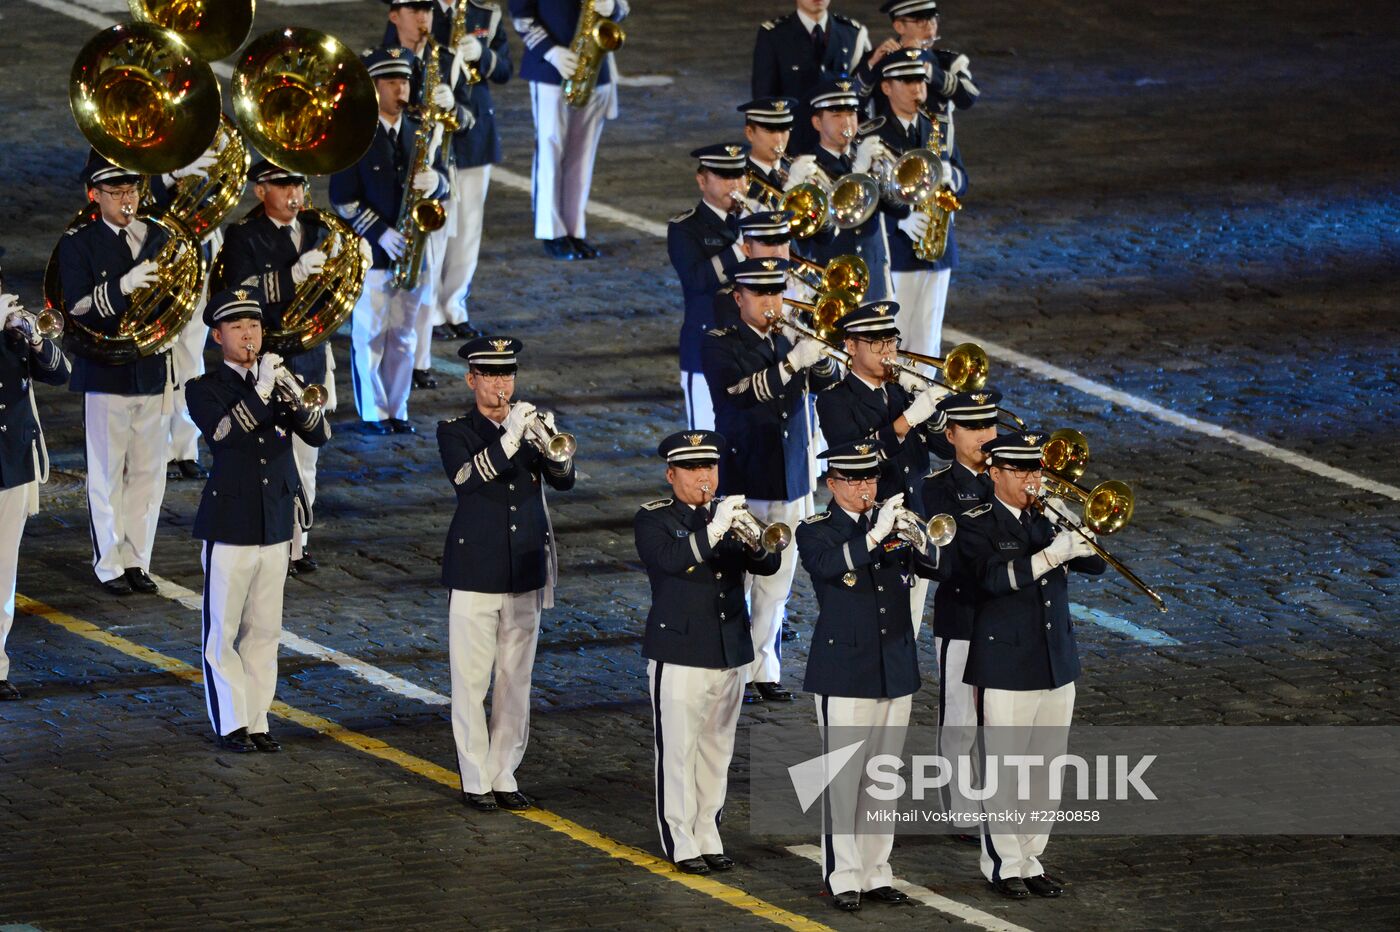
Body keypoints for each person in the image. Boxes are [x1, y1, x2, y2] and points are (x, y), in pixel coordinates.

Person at [795, 439, 949, 911]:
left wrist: (921, 536)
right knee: (843, 779)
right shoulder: (815, 529)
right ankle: (843, 875)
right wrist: (874, 535)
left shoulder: (894, 523)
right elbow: (826, 566)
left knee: (884, 777)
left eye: (869, 478)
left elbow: (939, 567)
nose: (864, 487)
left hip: (894, 664)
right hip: (844, 670)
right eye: (852, 479)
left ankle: (876, 869)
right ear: (831, 484)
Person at [955, 431, 1105, 898]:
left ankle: (1030, 857)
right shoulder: (976, 521)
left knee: (1047, 767)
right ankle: (1002, 864)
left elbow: (1098, 567)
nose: (1031, 479)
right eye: (1020, 470)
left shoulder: (1048, 518)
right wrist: (1051, 554)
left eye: (1035, 470)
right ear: (995, 473)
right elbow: (993, 580)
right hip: (1006, 662)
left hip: (1055, 659)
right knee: (1004, 767)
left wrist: (1083, 534)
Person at [185, 287, 332, 753]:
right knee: (222, 630)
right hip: (230, 523)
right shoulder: (204, 388)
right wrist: (265, 390)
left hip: (274, 522)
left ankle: (258, 718)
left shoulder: (279, 379)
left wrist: (290, 392)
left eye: (254, 327)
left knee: (265, 629)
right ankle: (230, 721)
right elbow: (225, 435)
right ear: (217, 336)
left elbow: (320, 433)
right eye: (237, 328)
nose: (249, 335)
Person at [438, 336, 575, 811]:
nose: (501, 384)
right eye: (491, 375)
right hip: (475, 571)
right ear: (471, 379)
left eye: (507, 375)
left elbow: (564, 481)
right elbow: (467, 481)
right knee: (472, 681)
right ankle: (475, 777)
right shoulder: (454, 431)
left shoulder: (530, 426)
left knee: (516, 680)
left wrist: (554, 448)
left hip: (524, 569)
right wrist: (512, 437)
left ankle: (504, 772)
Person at [634, 429, 781, 875]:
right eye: (694, 468)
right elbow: (672, 560)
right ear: (671, 474)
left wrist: (753, 537)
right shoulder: (654, 518)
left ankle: (708, 832)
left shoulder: (730, 514)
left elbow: (770, 562)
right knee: (677, 751)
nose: (705, 476)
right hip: (679, 650)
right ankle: (680, 840)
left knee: (718, 749)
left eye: (710, 467)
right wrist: (714, 530)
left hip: (729, 648)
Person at [701, 257, 839, 702]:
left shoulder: (789, 338)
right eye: (760, 295)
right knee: (737, 580)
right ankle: (730, 666)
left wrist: (814, 352)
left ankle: (765, 670)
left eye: (776, 293)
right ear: (739, 298)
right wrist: (790, 363)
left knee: (777, 586)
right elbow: (738, 394)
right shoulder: (720, 343)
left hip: (793, 477)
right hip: (747, 476)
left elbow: (830, 382)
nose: (770, 303)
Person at [57, 153, 176, 596]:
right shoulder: (79, 244)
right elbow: (78, 308)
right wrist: (122, 288)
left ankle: (137, 560)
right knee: (106, 474)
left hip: (150, 369)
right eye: (116, 193)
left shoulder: (160, 236)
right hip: (105, 372)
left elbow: (178, 295)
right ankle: (109, 563)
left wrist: (172, 329)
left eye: (131, 191)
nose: (127, 201)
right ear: (95, 196)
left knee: (148, 472)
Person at [217, 159, 341, 574]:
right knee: (268, 457)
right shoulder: (243, 236)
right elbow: (238, 290)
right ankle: (271, 539)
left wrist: (348, 263)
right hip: (266, 359)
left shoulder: (320, 230)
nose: (293, 194)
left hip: (308, 357)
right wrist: (291, 275)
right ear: (260, 191)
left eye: (299, 184)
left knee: (307, 458)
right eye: (283, 185)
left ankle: (298, 545)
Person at [329, 46, 449, 435]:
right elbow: (342, 199)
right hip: (376, 254)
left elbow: (442, 175)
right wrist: (381, 232)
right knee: (371, 335)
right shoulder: (356, 136)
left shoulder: (418, 131)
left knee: (404, 334)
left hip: (414, 252)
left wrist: (439, 184)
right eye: (393, 82)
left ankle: (398, 407)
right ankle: (373, 412)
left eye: (406, 81)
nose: (402, 89)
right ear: (374, 87)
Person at [385, 0, 512, 346]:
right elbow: (392, 58)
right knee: (436, 231)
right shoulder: (418, 7)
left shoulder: (484, 10)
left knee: (468, 229)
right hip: (432, 142)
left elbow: (504, 69)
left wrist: (482, 56)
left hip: (472, 133)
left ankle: (455, 305)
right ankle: (431, 311)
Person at [815, 301, 947, 632]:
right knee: (872, 628)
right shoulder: (834, 400)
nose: (887, 352)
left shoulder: (901, 392)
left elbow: (945, 447)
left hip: (916, 520)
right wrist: (908, 419)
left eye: (891, 342)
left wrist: (932, 410)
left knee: (909, 631)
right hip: (872, 526)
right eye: (877, 343)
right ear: (850, 345)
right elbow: (858, 458)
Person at [919, 388, 1000, 839]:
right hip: (964, 615)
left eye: (989, 426)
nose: (984, 436)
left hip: (1008, 616)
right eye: (972, 427)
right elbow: (950, 556)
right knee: (961, 716)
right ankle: (962, 809)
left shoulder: (1012, 476)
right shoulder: (936, 489)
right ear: (949, 434)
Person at [511, 0, 630, 260]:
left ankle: (575, 229)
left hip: (594, 70)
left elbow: (623, 7)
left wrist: (613, 8)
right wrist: (550, 51)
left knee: (582, 155)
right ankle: (550, 231)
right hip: (551, 70)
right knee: (550, 148)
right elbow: (521, 16)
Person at [870, 49, 968, 362]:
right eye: (907, 81)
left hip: (937, 250)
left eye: (921, 82)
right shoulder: (873, 135)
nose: (917, 89)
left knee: (928, 341)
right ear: (886, 87)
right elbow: (867, 194)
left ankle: (922, 406)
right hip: (897, 248)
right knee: (895, 338)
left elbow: (963, 179)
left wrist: (952, 175)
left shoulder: (939, 128)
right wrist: (898, 221)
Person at [0, 279, 70, 700]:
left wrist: (36, 340)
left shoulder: (13, 329)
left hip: (12, 460)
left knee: (3, 571)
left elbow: (61, 373)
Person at [666, 143, 748, 430]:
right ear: (702, 181)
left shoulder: (753, 220)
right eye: (725, 177)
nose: (735, 185)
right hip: (705, 349)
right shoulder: (685, 227)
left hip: (751, 350)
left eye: (739, 176)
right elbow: (696, 279)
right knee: (706, 442)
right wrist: (740, 251)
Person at [786, 81, 892, 302]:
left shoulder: (867, 158)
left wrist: (888, 177)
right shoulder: (807, 169)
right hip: (832, 286)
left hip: (873, 281)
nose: (847, 122)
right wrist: (858, 172)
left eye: (851, 114)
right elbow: (827, 224)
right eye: (836, 115)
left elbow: (898, 207)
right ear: (817, 122)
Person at [752, 0, 872, 153]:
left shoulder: (851, 32)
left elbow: (860, 95)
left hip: (840, 145)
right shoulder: (774, 35)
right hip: (794, 144)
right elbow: (763, 99)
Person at [862, 1, 979, 117]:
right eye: (921, 21)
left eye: (933, 20)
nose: (930, 28)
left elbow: (969, 98)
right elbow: (855, 104)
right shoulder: (877, 58)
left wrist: (927, 67)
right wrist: (870, 66)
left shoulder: (948, 61)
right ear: (899, 27)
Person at [737, 97, 797, 211]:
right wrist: (792, 188)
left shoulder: (795, 170)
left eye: (784, 130)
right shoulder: (739, 178)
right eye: (770, 131)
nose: (779, 139)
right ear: (749, 133)